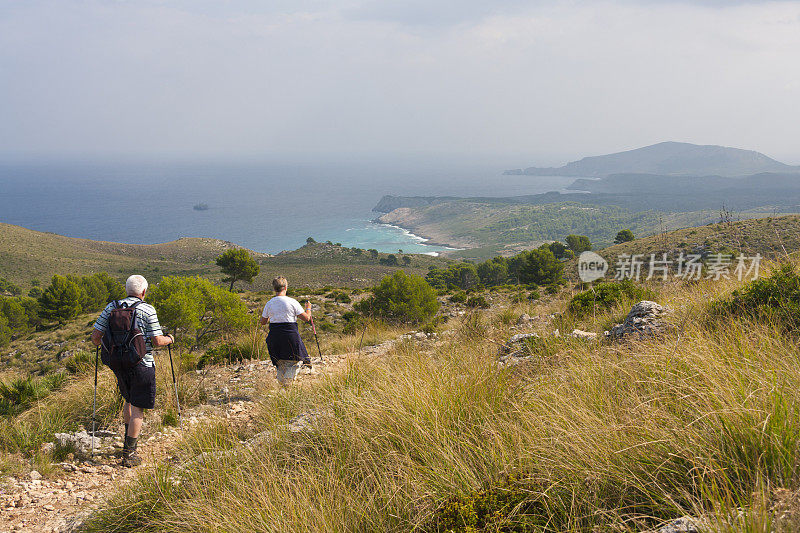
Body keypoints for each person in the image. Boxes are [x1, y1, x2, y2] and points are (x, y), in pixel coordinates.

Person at [91, 275, 174, 467]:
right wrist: (170, 338)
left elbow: (96, 338)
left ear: (127, 289)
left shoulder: (111, 307)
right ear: (144, 292)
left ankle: (126, 442)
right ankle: (129, 455)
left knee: (128, 400)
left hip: (119, 364)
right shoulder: (147, 309)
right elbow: (157, 341)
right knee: (138, 408)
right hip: (142, 364)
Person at [260, 276, 313, 386]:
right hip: (290, 335)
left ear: (274, 288)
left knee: (280, 363)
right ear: (285, 287)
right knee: (294, 362)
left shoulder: (269, 303)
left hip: (274, 337)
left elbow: (263, 322)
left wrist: (273, 315)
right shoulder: (292, 302)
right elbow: (306, 318)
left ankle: (282, 386)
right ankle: (287, 387)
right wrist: (308, 308)